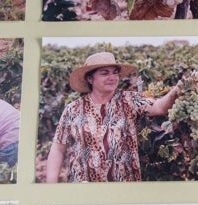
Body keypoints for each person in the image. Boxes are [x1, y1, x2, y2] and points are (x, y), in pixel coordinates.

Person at [45, 52, 182, 183]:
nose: (112, 77)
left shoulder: (130, 100)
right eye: (105, 73)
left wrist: (177, 90)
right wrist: (51, 185)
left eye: (115, 72)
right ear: (90, 79)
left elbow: (159, 107)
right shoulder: (73, 109)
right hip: (83, 189)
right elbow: (58, 148)